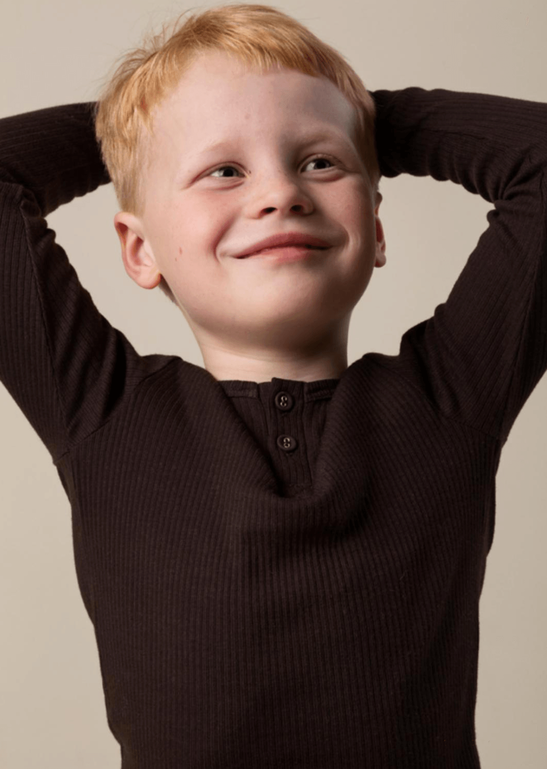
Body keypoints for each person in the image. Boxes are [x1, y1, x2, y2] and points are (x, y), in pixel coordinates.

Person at [0, 3, 545, 767]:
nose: (280, 192)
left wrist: (365, 117)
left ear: (374, 228)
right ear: (140, 249)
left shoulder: (448, 402)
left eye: (318, 162)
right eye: (224, 170)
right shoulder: (104, 414)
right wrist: (141, 125)